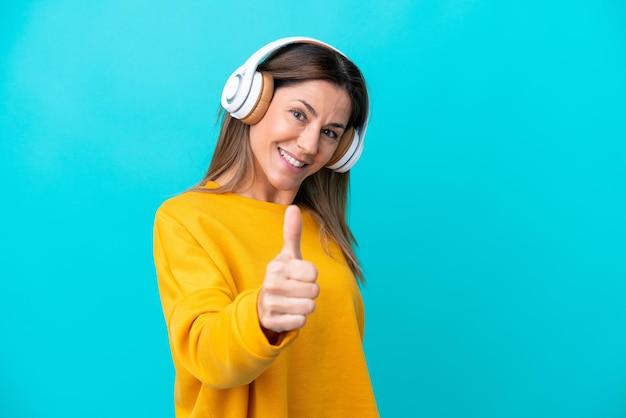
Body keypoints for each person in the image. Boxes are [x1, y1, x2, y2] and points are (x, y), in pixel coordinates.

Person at [153, 36, 379, 418]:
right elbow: (204, 353)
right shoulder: (187, 218)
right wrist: (260, 316)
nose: (309, 145)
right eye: (299, 114)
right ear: (252, 100)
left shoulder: (324, 232)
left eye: (330, 133)